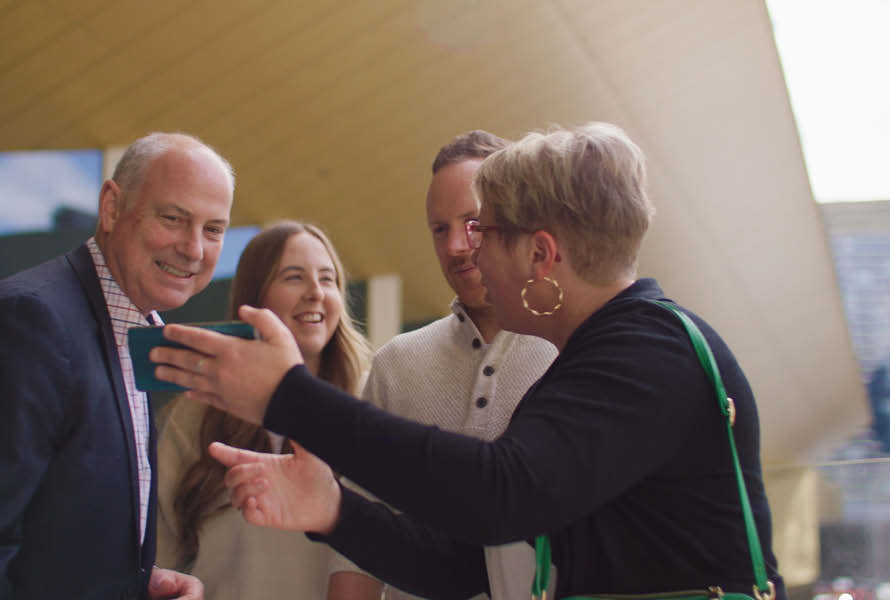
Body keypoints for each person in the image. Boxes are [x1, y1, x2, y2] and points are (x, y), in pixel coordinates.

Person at [151, 123, 788, 599]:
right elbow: (468, 565)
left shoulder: (648, 352)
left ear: (540, 254)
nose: (468, 254)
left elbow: (495, 493)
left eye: (486, 233)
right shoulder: (604, 357)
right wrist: (333, 510)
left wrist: (289, 396)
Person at [0, 132, 233, 600]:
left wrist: (133, 584)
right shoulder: (27, 323)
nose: (194, 248)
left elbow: (49, 528)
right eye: (174, 218)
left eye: (214, 230)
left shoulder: (128, 333)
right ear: (111, 207)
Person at [327, 131, 558, 600]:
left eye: (473, 223)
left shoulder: (573, 350)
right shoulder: (395, 364)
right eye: (439, 229)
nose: (455, 245)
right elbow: (358, 543)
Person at [154, 221, 372, 599]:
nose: (315, 293)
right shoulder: (195, 414)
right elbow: (162, 555)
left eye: (328, 279)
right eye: (294, 278)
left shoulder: (372, 402)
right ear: (256, 299)